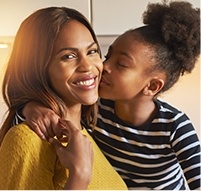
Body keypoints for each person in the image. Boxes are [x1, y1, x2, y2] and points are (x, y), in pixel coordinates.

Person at [12, 0, 201, 190]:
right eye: (107, 56)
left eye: (121, 64)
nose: (104, 66)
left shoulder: (175, 126)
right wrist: (30, 108)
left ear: (152, 86)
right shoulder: (96, 110)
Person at [0, 6, 127, 190]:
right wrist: (79, 176)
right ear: (38, 69)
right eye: (68, 56)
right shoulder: (27, 140)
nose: (87, 66)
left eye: (92, 51)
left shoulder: (85, 135)